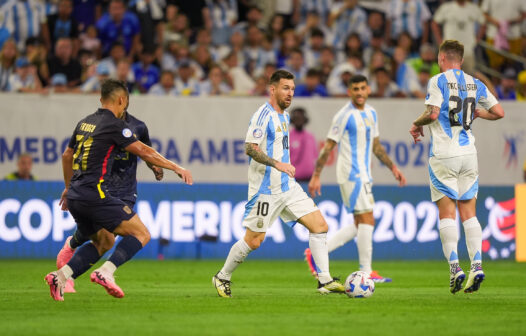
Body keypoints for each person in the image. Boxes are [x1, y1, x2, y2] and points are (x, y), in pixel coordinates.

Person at [45, 79, 193, 301]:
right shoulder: (114, 124)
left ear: (101, 98)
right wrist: (175, 167)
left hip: (76, 195)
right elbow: (144, 151)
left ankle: (60, 276)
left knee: (104, 241)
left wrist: (68, 187)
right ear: (122, 100)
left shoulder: (85, 122)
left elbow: (67, 155)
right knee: (141, 234)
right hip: (95, 195)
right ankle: (106, 272)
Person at [212, 70, 345, 298]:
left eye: (293, 89)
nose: (290, 93)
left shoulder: (284, 116)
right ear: (272, 89)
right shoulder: (262, 116)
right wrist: (277, 164)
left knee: (320, 226)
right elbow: (249, 148)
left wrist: (284, 170)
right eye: (285, 88)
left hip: (288, 187)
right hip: (266, 190)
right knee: (254, 241)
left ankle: (325, 281)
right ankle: (222, 276)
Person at [409, 40, 504, 294]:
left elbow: (431, 114)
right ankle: (477, 265)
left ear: (441, 59)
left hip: (444, 154)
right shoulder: (475, 83)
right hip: (469, 154)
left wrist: (416, 124)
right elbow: (499, 112)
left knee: (447, 214)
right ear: (460, 60)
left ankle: (455, 269)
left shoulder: (437, 80)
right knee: (469, 214)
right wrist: (477, 114)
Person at [55, 97, 164, 293]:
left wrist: (154, 166)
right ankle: (75, 249)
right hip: (102, 185)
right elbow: (74, 154)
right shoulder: (102, 125)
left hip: (126, 189)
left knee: (107, 238)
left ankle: (66, 275)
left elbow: (145, 152)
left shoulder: (138, 126)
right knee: (111, 236)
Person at [306, 74, 406, 283]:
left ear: (368, 89)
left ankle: (316, 252)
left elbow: (376, 147)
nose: (359, 92)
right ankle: (366, 272)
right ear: (349, 92)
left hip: (364, 173)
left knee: (361, 223)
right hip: (351, 174)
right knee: (367, 219)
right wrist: (316, 175)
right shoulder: (343, 116)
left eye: (363, 88)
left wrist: (392, 167)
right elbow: (328, 147)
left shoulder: (372, 113)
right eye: (355, 89)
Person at [289, 107, 318, 182]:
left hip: (309, 179)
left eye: (301, 117)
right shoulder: (287, 137)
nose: (299, 119)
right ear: (292, 119)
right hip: (293, 179)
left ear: (305, 119)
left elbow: (314, 157)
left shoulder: (310, 136)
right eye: (296, 117)